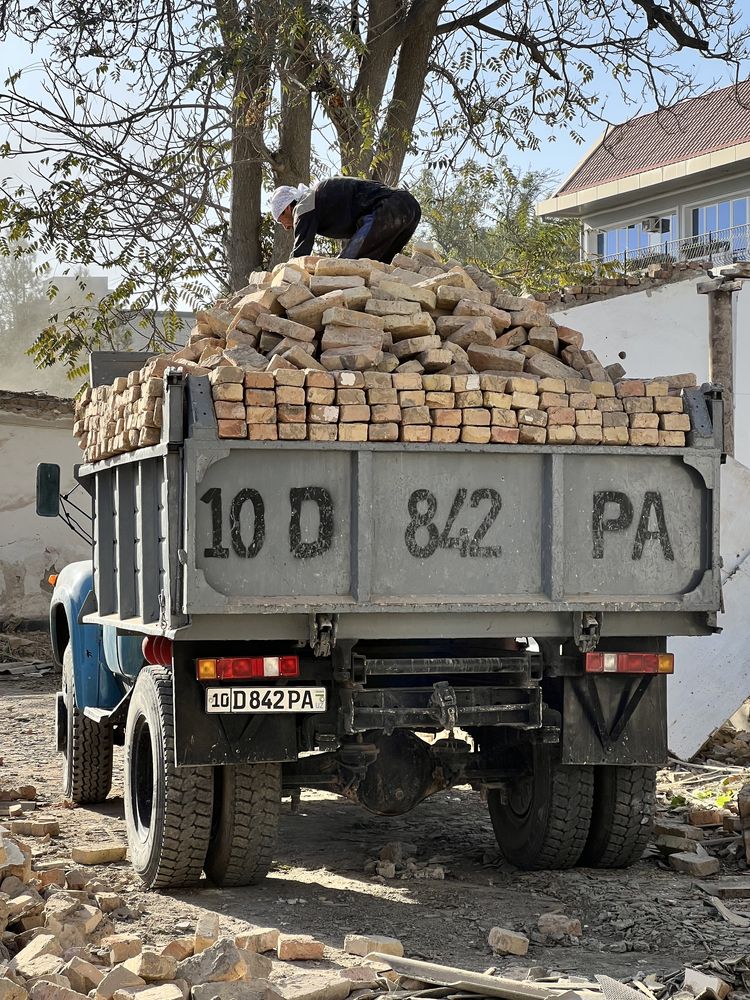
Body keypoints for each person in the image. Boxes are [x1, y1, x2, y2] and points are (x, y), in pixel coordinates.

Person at [270, 177, 421, 264]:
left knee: (343, 267)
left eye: (280, 220)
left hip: (389, 208)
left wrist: (282, 276)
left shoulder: (303, 206)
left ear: (288, 208)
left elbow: (300, 255)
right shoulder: (316, 199)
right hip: (411, 208)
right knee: (380, 266)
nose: (285, 227)